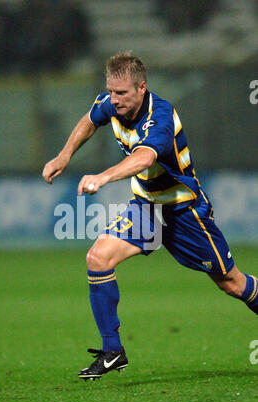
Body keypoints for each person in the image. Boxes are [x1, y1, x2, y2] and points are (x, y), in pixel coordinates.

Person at [42, 52, 258, 380]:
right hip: (147, 208)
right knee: (98, 258)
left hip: (185, 212)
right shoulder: (110, 103)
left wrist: (103, 177)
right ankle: (113, 350)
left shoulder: (161, 116)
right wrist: (63, 156)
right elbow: (90, 119)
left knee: (232, 283)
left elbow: (143, 158)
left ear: (142, 87)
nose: (113, 101)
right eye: (110, 92)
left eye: (122, 93)